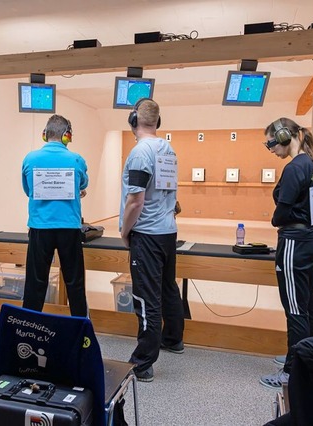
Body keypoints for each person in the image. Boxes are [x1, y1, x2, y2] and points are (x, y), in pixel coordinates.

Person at [119, 98, 185, 382]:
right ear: (158, 122)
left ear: (134, 121)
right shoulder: (167, 150)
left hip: (146, 234)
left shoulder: (140, 152)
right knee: (168, 289)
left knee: (147, 297)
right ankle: (173, 338)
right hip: (167, 232)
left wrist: (124, 230)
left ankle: (143, 362)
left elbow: (136, 200)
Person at [259, 117, 313, 389]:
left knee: (295, 309)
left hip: (295, 242)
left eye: (272, 143)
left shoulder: (295, 167)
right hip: (311, 238)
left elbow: (282, 210)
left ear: (286, 136)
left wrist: (276, 220)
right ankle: (304, 358)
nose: (272, 149)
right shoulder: (311, 165)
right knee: (307, 304)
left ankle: (292, 372)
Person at [21, 114, 89, 317]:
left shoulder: (30, 158)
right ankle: (79, 329)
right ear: (67, 136)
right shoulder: (76, 159)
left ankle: (29, 327)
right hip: (69, 228)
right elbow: (83, 184)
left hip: (40, 228)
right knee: (74, 282)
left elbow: (28, 190)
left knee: (35, 282)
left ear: (44, 135)